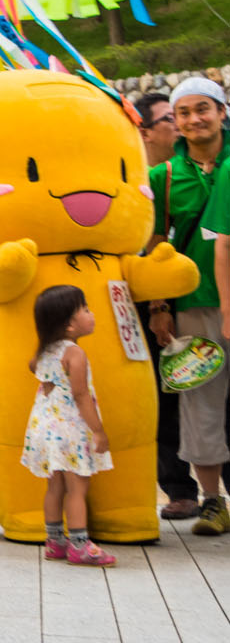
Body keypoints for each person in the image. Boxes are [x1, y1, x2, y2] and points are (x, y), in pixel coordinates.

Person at [149, 77, 230, 537]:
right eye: (183, 113)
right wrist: (160, 305)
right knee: (201, 403)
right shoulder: (162, 179)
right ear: (175, 123)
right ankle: (213, 502)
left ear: (221, 111)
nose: (194, 119)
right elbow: (157, 245)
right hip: (194, 305)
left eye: (203, 109)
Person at [134, 92, 201, 518]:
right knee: (165, 393)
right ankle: (179, 487)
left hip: (198, 290)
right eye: (168, 118)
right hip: (152, 297)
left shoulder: (191, 170)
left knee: (209, 388)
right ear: (145, 130)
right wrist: (158, 304)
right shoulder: (139, 178)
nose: (178, 125)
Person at [21, 285, 116, 567]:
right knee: (77, 489)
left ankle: (54, 543)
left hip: (45, 428)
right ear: (70, 324)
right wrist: (98, 430)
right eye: (86, 309)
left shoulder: (43, 352)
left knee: (54, 488)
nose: (92, 314)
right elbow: (80, 395)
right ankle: (79, 545)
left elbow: (33, 366)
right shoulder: (74, 354)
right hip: (70, 431)